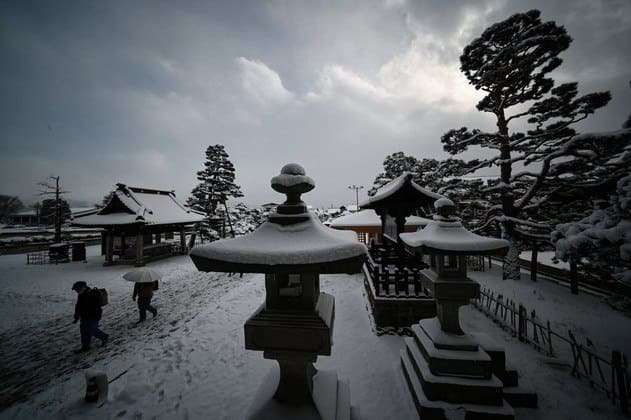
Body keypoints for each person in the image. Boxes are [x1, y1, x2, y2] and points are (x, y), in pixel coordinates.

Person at [72, 281, 108, 353]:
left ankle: (104, 337)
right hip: (84, 316)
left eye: (77, 290)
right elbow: (78, 306)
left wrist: (93, 315)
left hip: (93, 316)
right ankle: (85, 347)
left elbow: (97, 307)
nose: (77, 292)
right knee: (84, 332)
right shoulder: (81, 295)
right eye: (76, 290)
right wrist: (76, 317)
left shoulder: (92, 293)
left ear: (83, 288)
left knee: (92, 330)